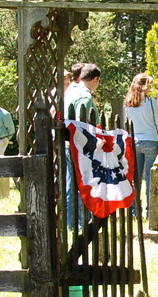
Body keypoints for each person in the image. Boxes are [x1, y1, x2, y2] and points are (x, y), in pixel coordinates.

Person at [64, 63, 101, 228]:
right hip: (79, 145)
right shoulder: (85, 97)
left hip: (68, 142)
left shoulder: (71, 91)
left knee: (70, 182)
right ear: (95, 79)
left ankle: (73, 220)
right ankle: (77, 223)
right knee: (79, 184)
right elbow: (81, 122)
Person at [124, 73, 158, 217]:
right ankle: (149, 211)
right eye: (149, 85)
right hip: (151, 140)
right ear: (144, 85)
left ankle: (134, 210)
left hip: (135, 141)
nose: (151, 88)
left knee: (136, 178)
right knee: (150, 178)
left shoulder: (128, 102)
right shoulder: (151, 102)